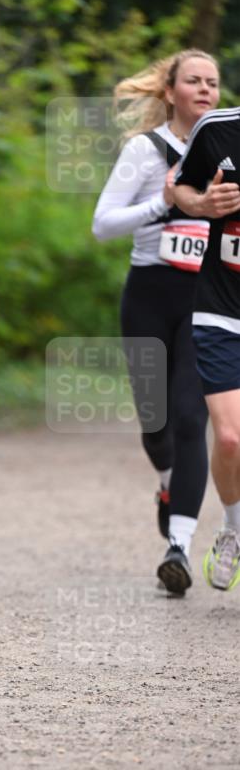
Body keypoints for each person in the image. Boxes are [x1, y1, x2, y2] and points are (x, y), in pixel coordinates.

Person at [92, 50, 221, 595]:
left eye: (213, 82)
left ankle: (179, 548)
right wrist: (163, 204)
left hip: (207, 299)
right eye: (194, 80)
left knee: (192, 419)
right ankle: (167, 484)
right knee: (156, 424)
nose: (206, 89)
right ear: (170, 92)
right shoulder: (145, 150)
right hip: (148, 295)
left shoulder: (227, 149)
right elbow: (102, 224)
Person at [174, 106, 240, 590]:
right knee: (230, 438)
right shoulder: (216, 130)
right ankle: (233, 530)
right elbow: (179, 188)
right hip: (221, 310)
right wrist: (203, 205)